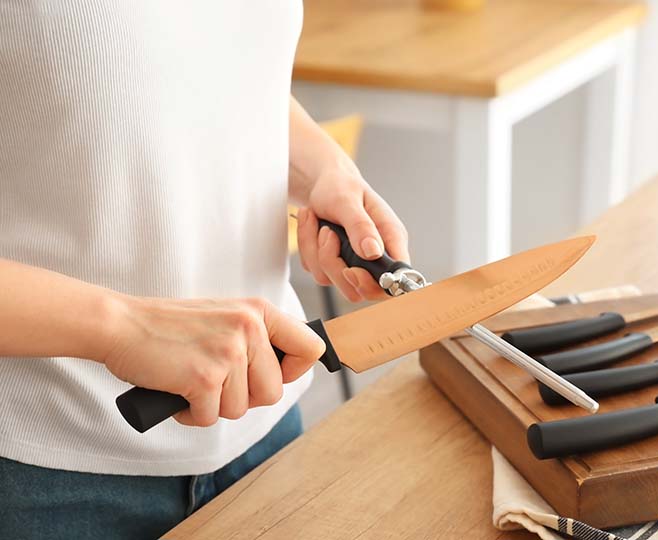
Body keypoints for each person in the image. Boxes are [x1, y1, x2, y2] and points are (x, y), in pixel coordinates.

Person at [0, 3, 409, 538]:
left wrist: (323, 169)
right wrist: (123, 328)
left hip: (268, 431)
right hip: (44, 475)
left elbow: (213, 70)